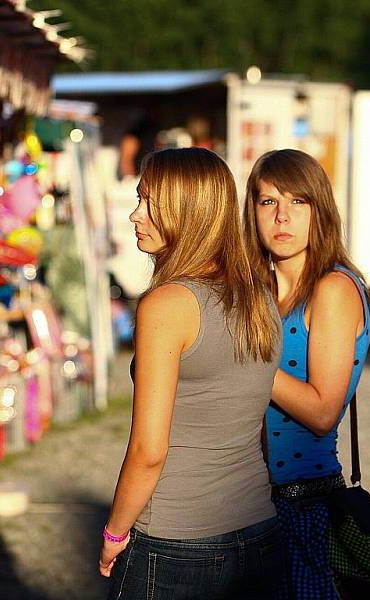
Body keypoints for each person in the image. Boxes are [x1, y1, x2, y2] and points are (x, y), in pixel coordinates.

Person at [100, 147, 284, 599]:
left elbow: (148, 449)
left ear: (187, 212)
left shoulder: (167, 304)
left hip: (176, 541)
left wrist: (113, 535)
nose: (134, 215)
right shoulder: (259, 295)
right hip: (257, 527)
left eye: (148, 202)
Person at [243, 149, 370, 598]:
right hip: (244, 505)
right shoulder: (256, 292)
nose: (282, 217)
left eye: (298, 202)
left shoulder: (332, 288)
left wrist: (245, 360)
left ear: (321, 210)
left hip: (305, 505)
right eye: (268, 202)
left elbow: (321, 411)